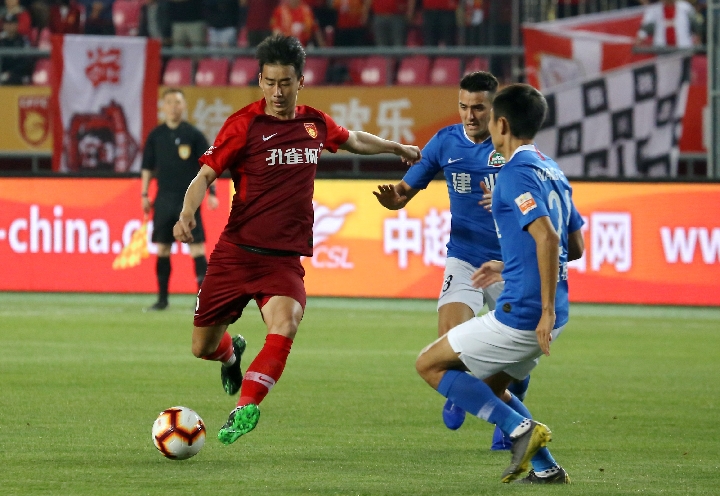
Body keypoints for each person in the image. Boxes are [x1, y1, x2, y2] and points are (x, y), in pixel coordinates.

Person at [172, 34, 421, 445]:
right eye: (270, 82)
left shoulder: (314, 124)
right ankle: (231, 355)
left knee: (286, 323)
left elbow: (354, 139)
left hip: (283, 260)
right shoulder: (244, 124)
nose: (277, 92)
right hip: (236, 254)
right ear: (260, 81)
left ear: (300, 82)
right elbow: (204, 176)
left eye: (285, 83)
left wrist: (396, 147)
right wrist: (186, 215)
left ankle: (245, 406)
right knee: (202, 347)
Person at [415, 83, 585, 484]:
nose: (484, 124)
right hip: (555, 313)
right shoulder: (551, 169)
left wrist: (542, 309)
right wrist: (508, 265)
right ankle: (546, 469)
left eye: (489, 117)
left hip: (526, 314)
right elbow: (575, 247)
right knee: (489, 389)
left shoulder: (511, 175)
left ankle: (520, 430)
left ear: (502, 124)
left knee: (429, 364)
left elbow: (549, 239)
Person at [373, 70, 528, 451]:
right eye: (463, 106)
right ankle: (498, 412)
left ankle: (506, 408)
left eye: (479, 108)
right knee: (451, 342)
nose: (470, 115)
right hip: (465, 258)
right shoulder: (445, 142)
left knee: (511, 357)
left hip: (510, 264)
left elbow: (536, 201)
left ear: (495, 109)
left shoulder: (514, 148)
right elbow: (405, 190)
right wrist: (395, 200)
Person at [141, 88, 219, 311]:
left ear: (184, 106)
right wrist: (144, 194)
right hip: (164, 199)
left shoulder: (193, 135)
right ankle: (162, 299)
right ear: (163, 106)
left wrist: (212, 193)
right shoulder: (156, 136)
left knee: (197, 249)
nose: (173, 107)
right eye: (169, 102)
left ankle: (202, 301)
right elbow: (147, 167)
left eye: (177, 102)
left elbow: (209, 165)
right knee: (163, 249)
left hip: (188, 202)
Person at [636, 0, 701, 48]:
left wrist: (697, 37)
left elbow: (695, 24)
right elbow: (645, 27)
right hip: (662, 47)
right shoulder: (653, 9)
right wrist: (640, 38)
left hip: (683, 46)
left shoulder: (685, 7)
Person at [0, 14, 32, 85]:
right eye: (6, 24)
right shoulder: (1, 40)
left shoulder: (23, 40)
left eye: (11, 24)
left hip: (18, 74)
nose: (9, 26)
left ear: (17, 25)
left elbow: (27, 61)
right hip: (2, 72)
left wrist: (11, 73)